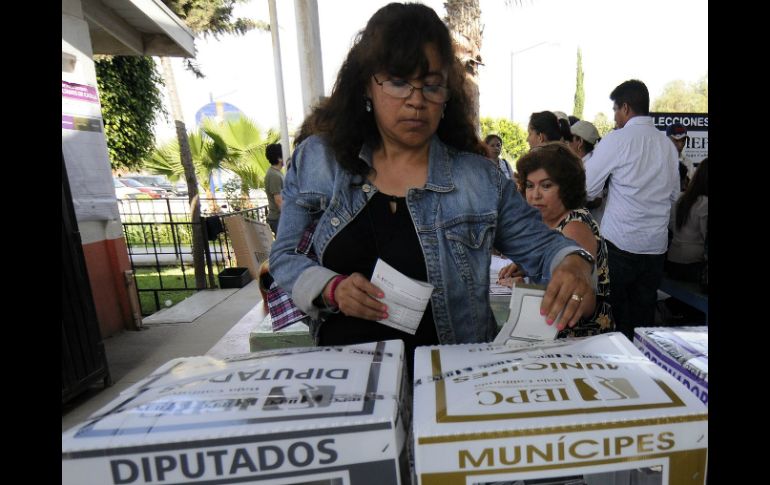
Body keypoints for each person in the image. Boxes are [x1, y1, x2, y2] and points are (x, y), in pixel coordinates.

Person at [268, 2, 595, 376]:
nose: (416, 100)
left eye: (432, 85)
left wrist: (574, 264)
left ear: (447, 95)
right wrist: (331, 288)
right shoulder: (321, 162)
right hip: (349, 389)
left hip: (451, 390)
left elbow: (545, 247)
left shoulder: (479, 180)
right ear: (366, 86)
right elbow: (285, 257)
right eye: (397, 81)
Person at [584, 79, 679, 339]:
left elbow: (589, 187)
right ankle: (643, 371)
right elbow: (673, 195)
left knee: (615, 320)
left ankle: (619, 372)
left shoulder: (618, 139)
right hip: (655, 247)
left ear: (625, 108)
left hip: (620, 244)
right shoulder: (668, 146)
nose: (614, 117)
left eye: (615, 110)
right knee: (643, 320)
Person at [498, 142, 613, 337]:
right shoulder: (545, 221)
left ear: (566, 187)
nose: (535, 195)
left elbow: (583, 302)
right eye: (529, 185)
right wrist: (528, 266)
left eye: (546, 185)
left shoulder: (575, 225)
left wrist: (525, 287)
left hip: (575, 344)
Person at [666, 157, 708, 283]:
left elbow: (671, 226)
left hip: (672, 262)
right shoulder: (705, 203)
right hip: (693, 265)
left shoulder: (681, 198)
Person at [568, 120, 606, 224]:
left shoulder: (592, 165)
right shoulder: (581, 163)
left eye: (570, 138)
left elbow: (597, 200)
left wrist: (569, 202)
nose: (567, 142)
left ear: (579, 141)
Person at [666, 122, 696, 191]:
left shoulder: (688, 163)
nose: (681, 144)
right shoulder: (659, 160)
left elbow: (692, 189)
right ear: (667, 139)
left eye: (683, 140)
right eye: (676, 140)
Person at [264, 143, 284, 236]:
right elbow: (278, 200)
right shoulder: (274, 175)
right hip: (278, 218)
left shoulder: (276, 173)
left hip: (279, 218)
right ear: (279, 158)